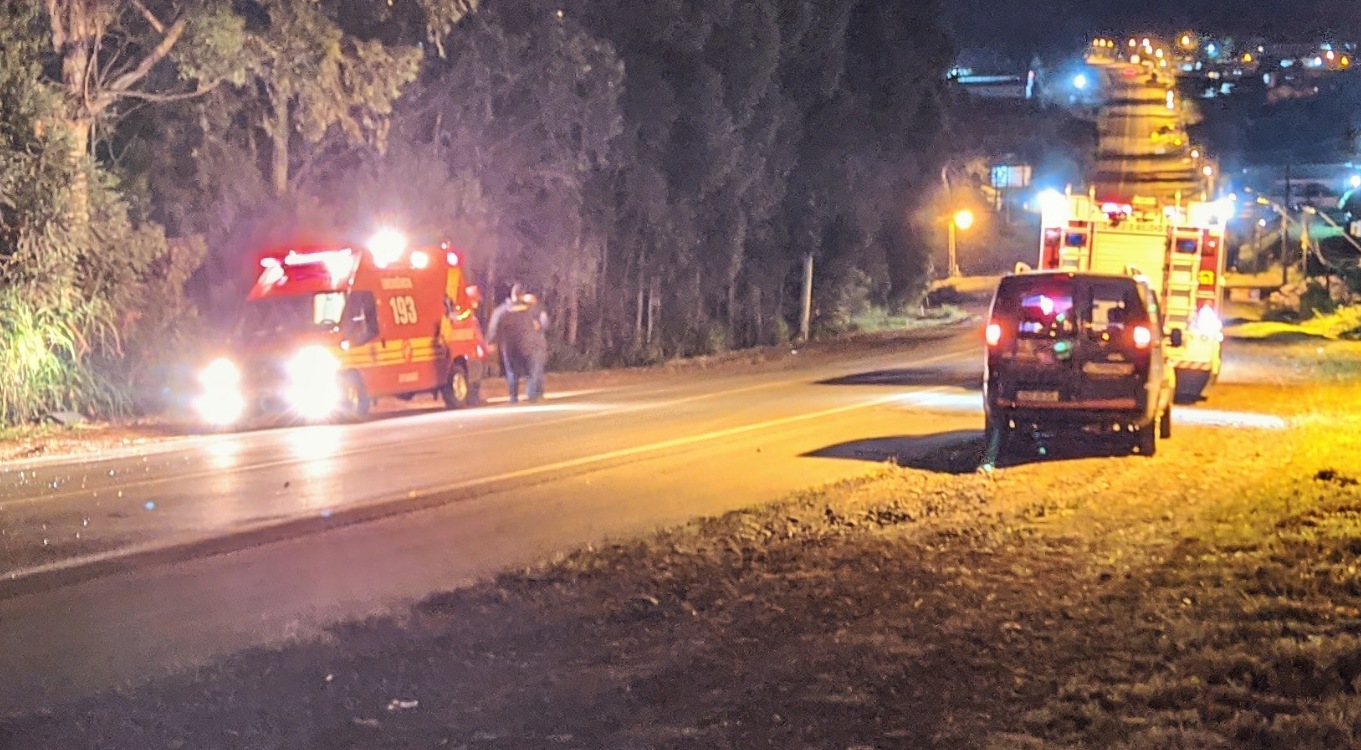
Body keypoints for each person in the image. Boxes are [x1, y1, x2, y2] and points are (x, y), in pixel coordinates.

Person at [486, 283, 549, 403]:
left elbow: (493, 328)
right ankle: (532, 396)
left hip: (510, 348)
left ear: (512, 294)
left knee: (512, 373)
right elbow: (544, 321)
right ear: (523, 295)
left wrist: (492, 342)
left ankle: (513, 398)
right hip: (530, 346)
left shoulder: (502, 310)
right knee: (532, 371)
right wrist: (539, 326)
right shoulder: (532, 308)